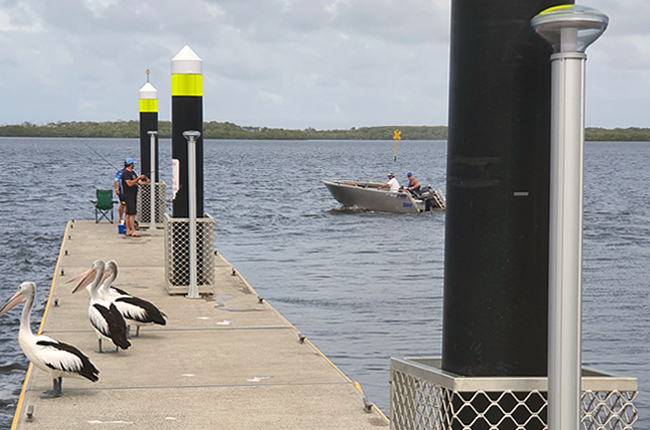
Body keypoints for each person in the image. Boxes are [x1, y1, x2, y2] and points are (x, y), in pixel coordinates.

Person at [120, 158, 150, 237]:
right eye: (133, 163)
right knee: (132, 214)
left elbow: (138, 182)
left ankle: (128, 230)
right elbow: (129, 184)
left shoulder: (132, 173)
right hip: (128, 195)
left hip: (133, 195)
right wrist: (138, 178)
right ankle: (133, 231)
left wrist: (145, 183)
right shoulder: (125, 173)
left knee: (128, 213)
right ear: (130, 164)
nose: (134, 165)